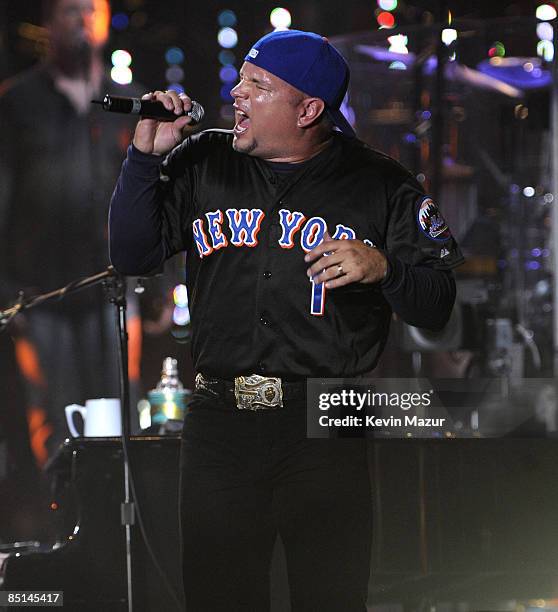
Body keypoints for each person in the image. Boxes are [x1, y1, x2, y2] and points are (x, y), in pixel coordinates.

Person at [109, 29, 464, 611]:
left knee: (329, 597)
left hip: (326, 422)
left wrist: (387, 269)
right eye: (240, 81)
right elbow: (131, 256)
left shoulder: (381, 184)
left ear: (308, 109)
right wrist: (144, 158)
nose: (236, 97)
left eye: (257, 86)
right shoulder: (202, 159)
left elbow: (438, 305)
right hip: (221, 420)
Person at [0, 0, 142, 468]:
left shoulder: (130, 102)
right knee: (54, 419)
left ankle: (113, 526)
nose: (81, 18)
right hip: (40, 290)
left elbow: (152, 200)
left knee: (119, 413)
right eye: (69, 9)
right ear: (48, 23)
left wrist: (157, 286)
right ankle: (66, 526)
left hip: (113, 289)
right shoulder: (17, 102)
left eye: (91, 8)